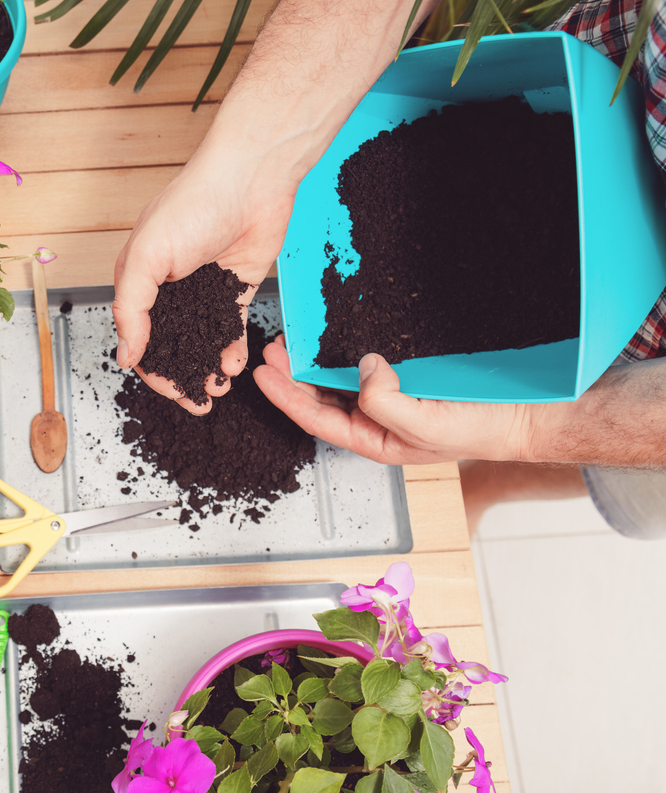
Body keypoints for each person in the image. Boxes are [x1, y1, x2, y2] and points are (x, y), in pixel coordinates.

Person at [112, 0, 666, 538]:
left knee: (638, 497)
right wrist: (249, 166)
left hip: (642, 387)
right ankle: (486, 479)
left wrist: (527, 432)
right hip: (600, 84)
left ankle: (486, 487)